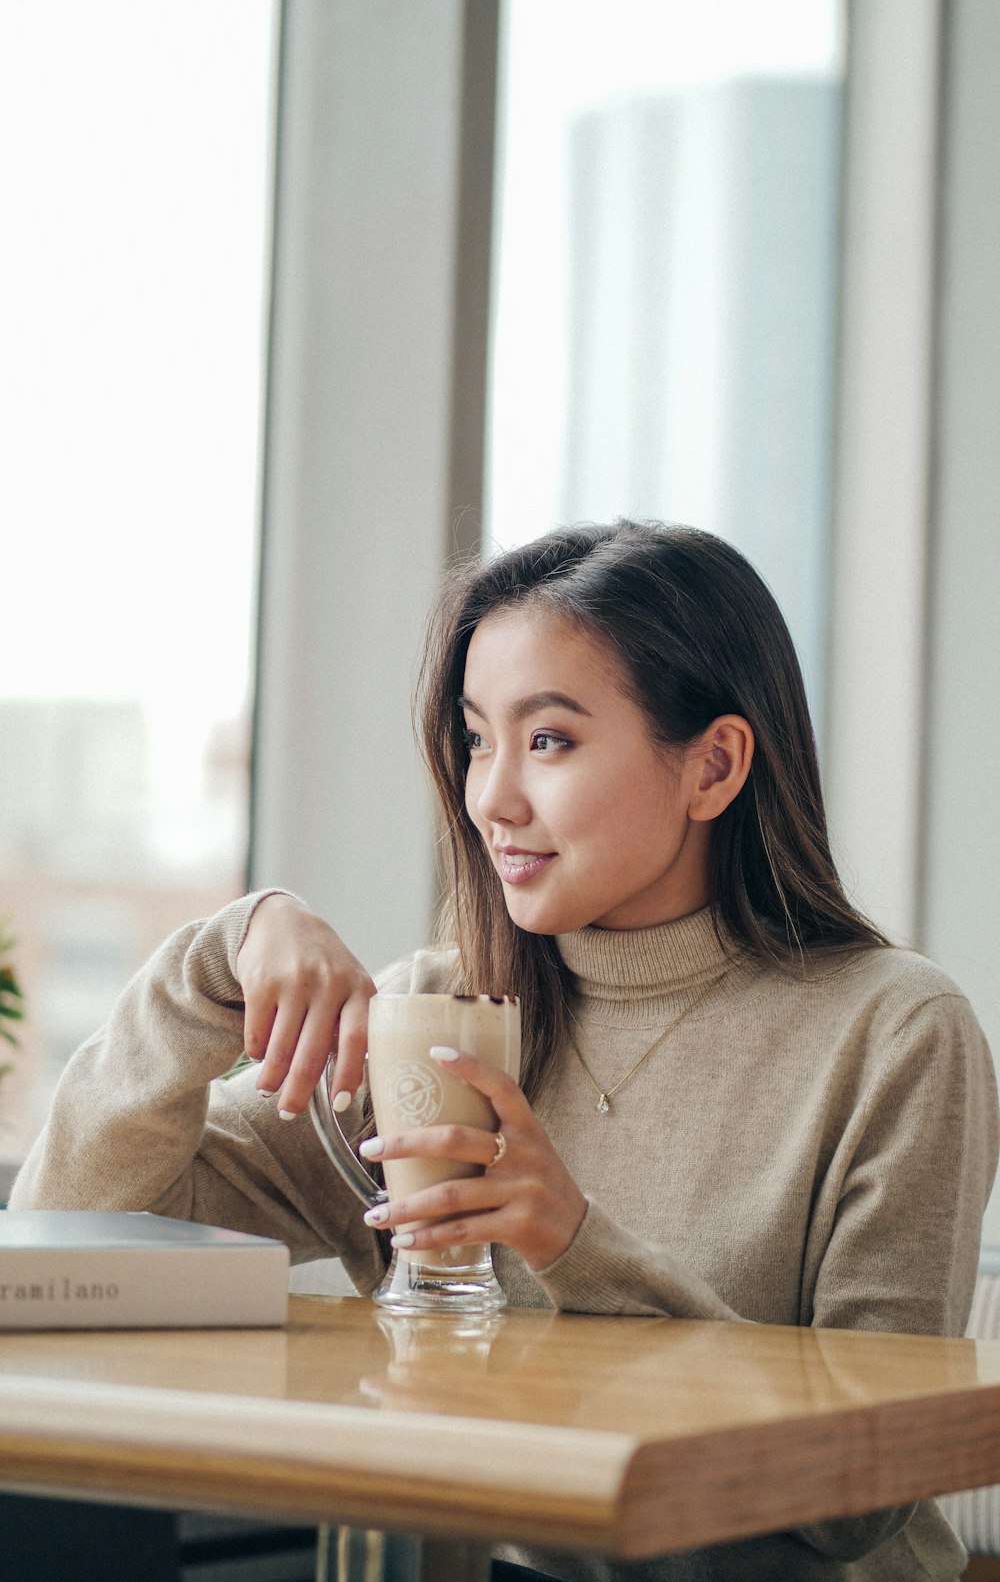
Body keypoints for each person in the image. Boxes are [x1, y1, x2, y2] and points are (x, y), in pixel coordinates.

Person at [11, 520, 999, 1582]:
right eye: (478, 738)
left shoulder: (892, 1030)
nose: (492, 797)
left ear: (712, 764)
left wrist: (575, 1240)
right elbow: (68, 1224)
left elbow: (860, 1491)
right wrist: (216, 955)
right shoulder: (433, 1013)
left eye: (549, 740)